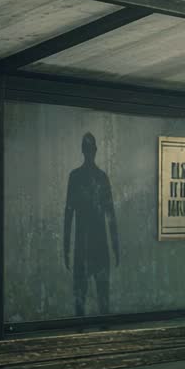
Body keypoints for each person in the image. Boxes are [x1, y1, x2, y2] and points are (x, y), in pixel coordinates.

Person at [63, 132, 119, 317]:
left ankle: (95, 329)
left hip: (91, 246)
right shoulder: (91, 177)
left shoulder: (86, 177)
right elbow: (69, 214)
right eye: (87, 149)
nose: (89, 152)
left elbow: (110, 214)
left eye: (89, 149)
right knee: (88, 300)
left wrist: (66, 248)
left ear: (92, 150)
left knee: (96, 300)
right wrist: (65, 248)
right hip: (89, 246)